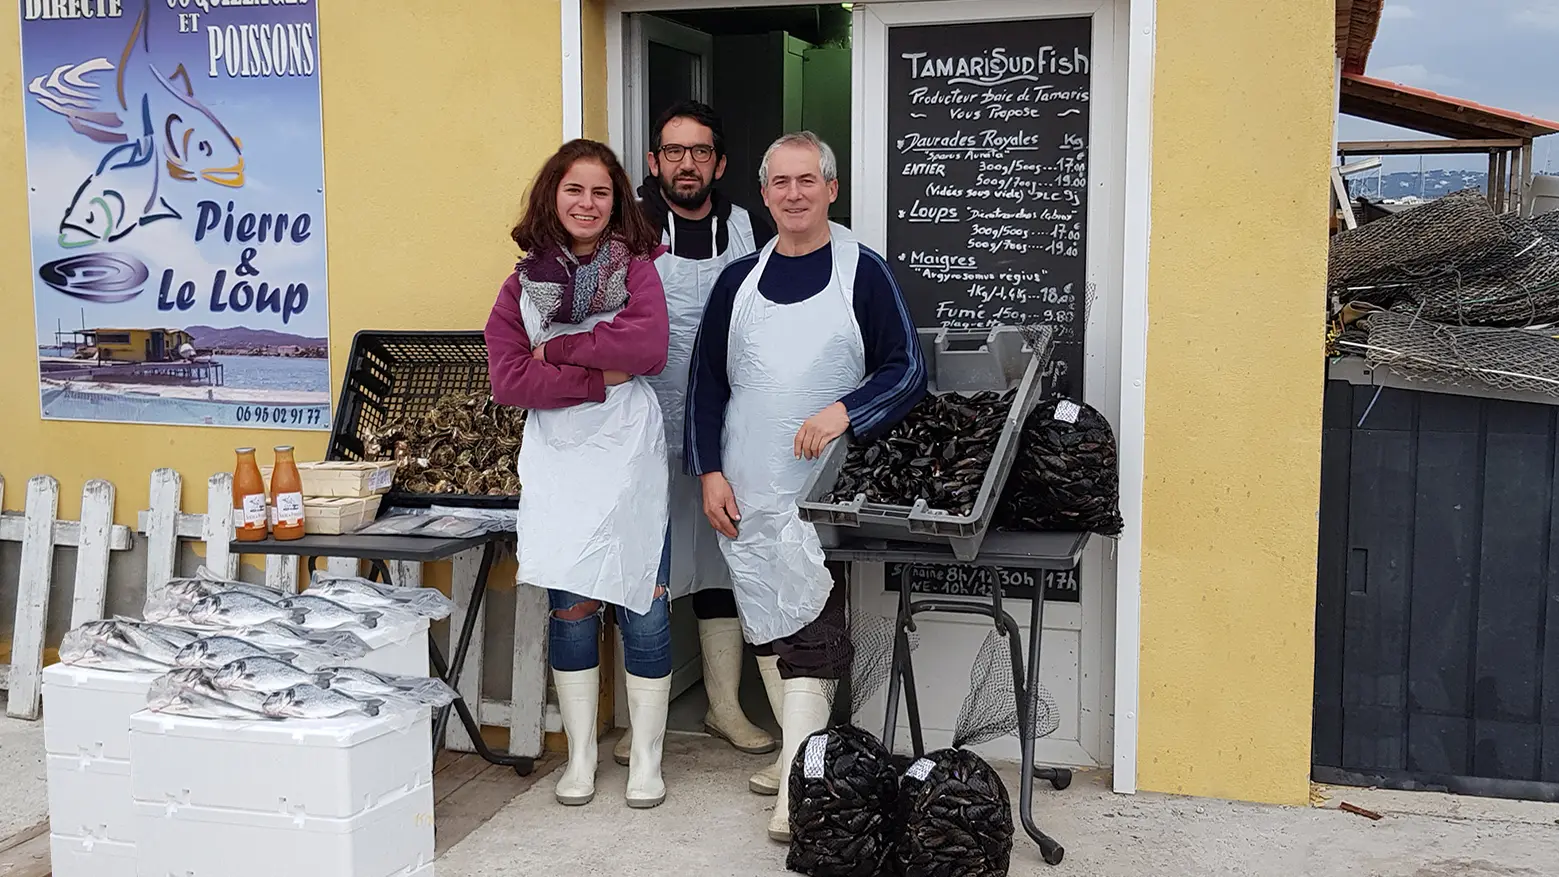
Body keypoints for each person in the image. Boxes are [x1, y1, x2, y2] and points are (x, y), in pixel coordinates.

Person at [685, 131, 929, 841]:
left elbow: (906, 369)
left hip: (823, 490)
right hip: (745, 486)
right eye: (779, 183)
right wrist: (708, 471)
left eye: (806, 180)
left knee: (813, 620)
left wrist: (843, 410)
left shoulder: (864, 273)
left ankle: (798, 783)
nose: (793, 193)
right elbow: (706, 384)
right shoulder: (738, 282)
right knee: (765, 613)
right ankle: (805, 757)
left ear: (830, 187)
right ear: (763, 196)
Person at [485, 139, 673, 810]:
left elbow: (647, 347)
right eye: (575, 190)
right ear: (553, 197)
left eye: (600, 192)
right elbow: (509, 378)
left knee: (644, 602)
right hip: (562, 461)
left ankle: (647, 758)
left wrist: (559, 350)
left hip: (627, 460)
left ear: (616, 200)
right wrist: (602, 376)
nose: (587, 203)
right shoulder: (522, 283)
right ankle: (583, 758)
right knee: (572, 608)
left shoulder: (639, 270)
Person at [611, 100, 778, 771]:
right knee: (641, 570)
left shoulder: (750, 227)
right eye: (674, 152)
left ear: (720, 163)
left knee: (721, 563)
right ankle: (640, 720)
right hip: (641, 428)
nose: (687, 163)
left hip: (727, 432)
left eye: (700, 151)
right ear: (653, 163)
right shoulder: (625, 236)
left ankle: (724, 705)